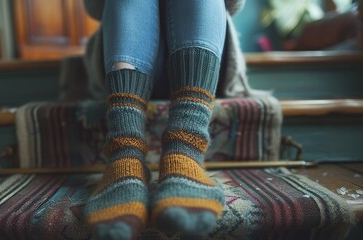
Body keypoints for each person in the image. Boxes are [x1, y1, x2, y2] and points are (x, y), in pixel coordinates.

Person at [82, 1, 247, 239]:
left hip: (200, 56)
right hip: (126, 55)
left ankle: (185, 150)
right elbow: (94, 8)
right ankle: (125, 153)